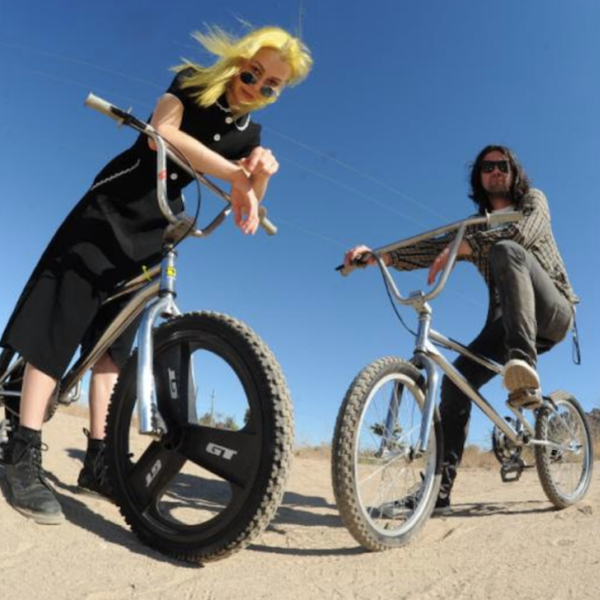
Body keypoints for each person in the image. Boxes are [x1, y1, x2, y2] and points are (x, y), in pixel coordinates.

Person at [1, 25, 312, 525]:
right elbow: (162, 134)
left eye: (271, 86)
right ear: (237, 61)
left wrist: (260, 175)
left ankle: (98, 461)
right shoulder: (191, 82)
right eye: (253, 73)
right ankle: (21, 451)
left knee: (113, 349)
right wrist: (236, 174)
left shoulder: (250, 135)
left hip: (157, 229)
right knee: (59, 324)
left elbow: (246, 204)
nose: (256, 87)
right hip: (113, 207)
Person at [344, 144, 578, 512]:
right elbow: (433, 249)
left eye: (503, 165)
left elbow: (525, 231)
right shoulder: (475, 225)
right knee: (456, 385)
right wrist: (380, 256)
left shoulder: (533, 200)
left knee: (506, 249)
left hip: (553, 312)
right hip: (508, 323)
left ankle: (524, 371)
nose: (495, 171)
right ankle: (437, 493)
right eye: (487, 166)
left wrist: (470, 244)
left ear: (514, 172)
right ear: (478, 177)